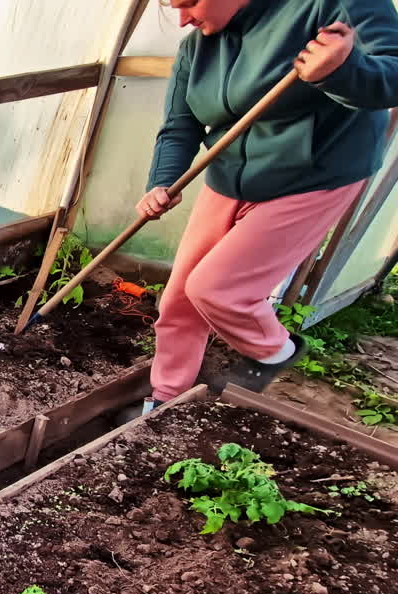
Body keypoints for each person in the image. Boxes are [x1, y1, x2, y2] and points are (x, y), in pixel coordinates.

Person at [127, 0, 398, 420]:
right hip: (229, 176)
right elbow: (180, 124)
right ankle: (165, 400)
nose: (183, 20)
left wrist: (341, 74)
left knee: (218, 290)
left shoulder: (334, 7)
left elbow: (393, 76)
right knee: (179, 299)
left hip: (311, 176)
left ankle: (275, 352)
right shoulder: (196, 47)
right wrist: (162, 182)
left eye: (188, 4)